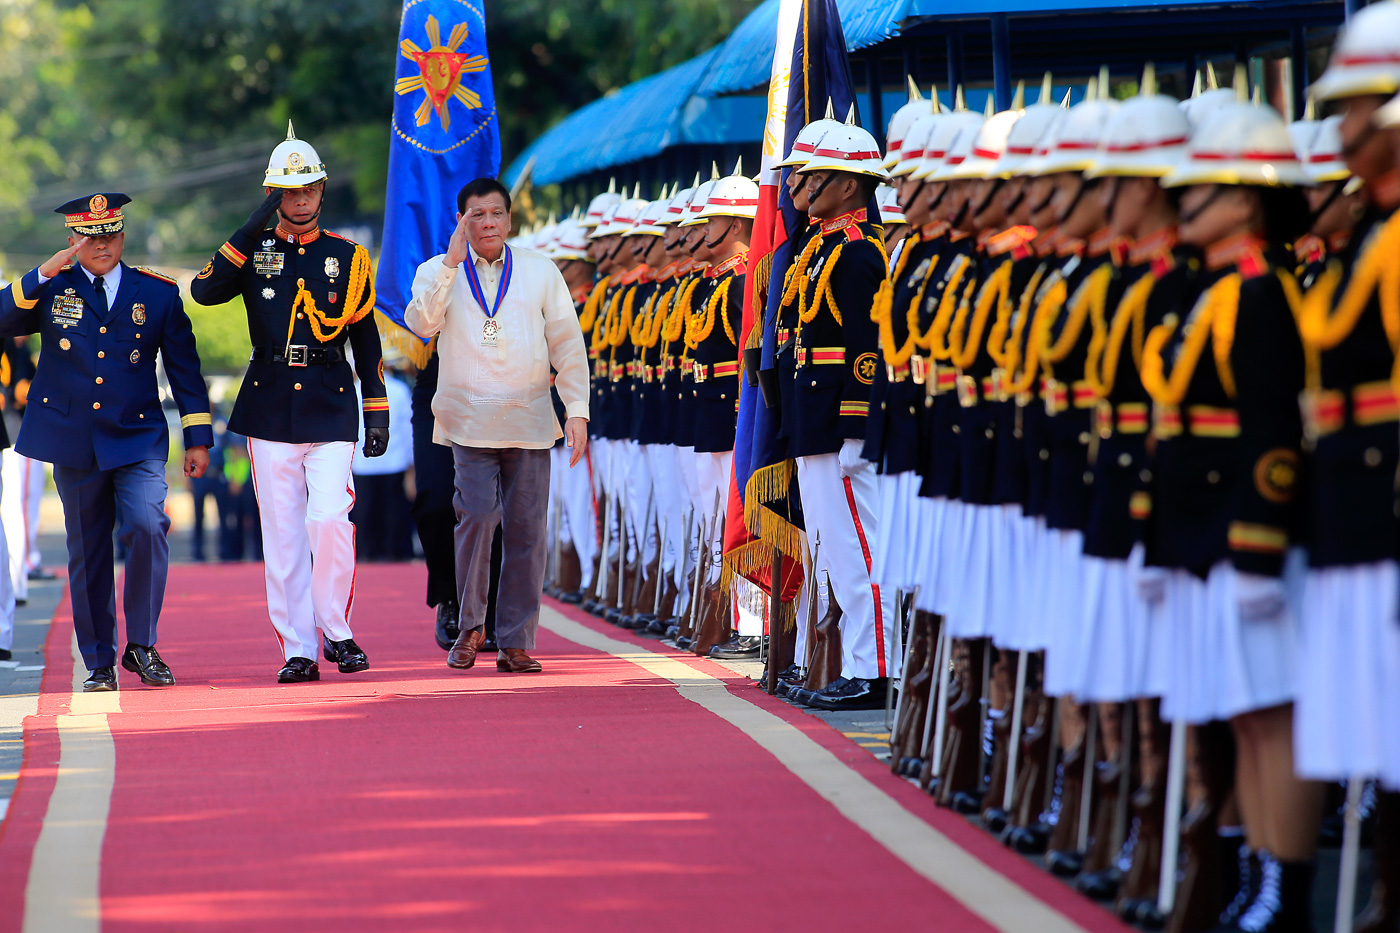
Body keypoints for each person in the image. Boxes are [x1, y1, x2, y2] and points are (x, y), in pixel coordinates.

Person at [190, 124, 388, 684]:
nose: (299, 202)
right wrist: (259, 218)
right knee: (281, 533)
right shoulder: (254, 249)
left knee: (328, 519)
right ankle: (297, 648)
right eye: (287, 191)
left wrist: (377, 409)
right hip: (270, 401)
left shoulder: (347, 257)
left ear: (323, 191)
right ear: (273, 192)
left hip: (329, 400)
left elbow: (365, 340)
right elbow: (205, 290)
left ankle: (337, 629)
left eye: (307, 190)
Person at [0, 192, 214, 691]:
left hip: (136, 434)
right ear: (73, 240)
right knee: (89, 551)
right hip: (72, 439)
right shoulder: (52, 289)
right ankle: (99, 661)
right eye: (91, 236)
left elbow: (185, 371)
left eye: (112, 233)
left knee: (146, 523)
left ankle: (141, 643)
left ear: (123, 235)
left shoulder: (156, 293)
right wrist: (40, 275)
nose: (103, 243)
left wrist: (198, 436)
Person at [406, 177, 590, 674]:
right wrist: (450, 262)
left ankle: (515, 641)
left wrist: (576, 410)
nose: (487, 223)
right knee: (478, 517)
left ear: (509, 220)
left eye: (495, 214)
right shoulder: (437, 271)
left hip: (529, 418)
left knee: (528, 530)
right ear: (461, 220)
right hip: (467, 420)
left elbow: (568, 345)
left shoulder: (538, 270)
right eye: (476, 215)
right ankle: (469, 627)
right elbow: (420, 324)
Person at [351, 366, 414, 561]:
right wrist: (411, 467)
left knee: (366, 520)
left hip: (364, 463)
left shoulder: (354, 389)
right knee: (392, 521)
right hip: (392, 462)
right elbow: (408, 431)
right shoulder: (400, 389)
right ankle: (394, 557)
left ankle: (367, 558)